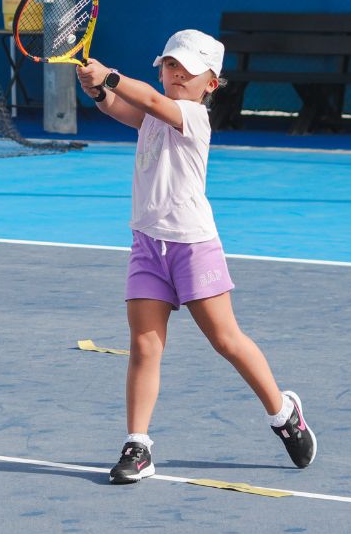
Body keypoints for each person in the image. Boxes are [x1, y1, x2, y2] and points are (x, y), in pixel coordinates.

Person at [75, 29, 316, 484]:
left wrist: (110, 76)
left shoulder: (191, 117)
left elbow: (146, 100)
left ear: (211, 83)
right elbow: (126, 108)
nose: (177, 72)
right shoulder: (151, 114)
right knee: (144, 347)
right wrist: (100, 91)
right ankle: (138, 445)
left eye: (188, 67)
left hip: (192, 247)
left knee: (226, 340)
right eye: (170, 64)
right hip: (147, 244)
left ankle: (283, 413)